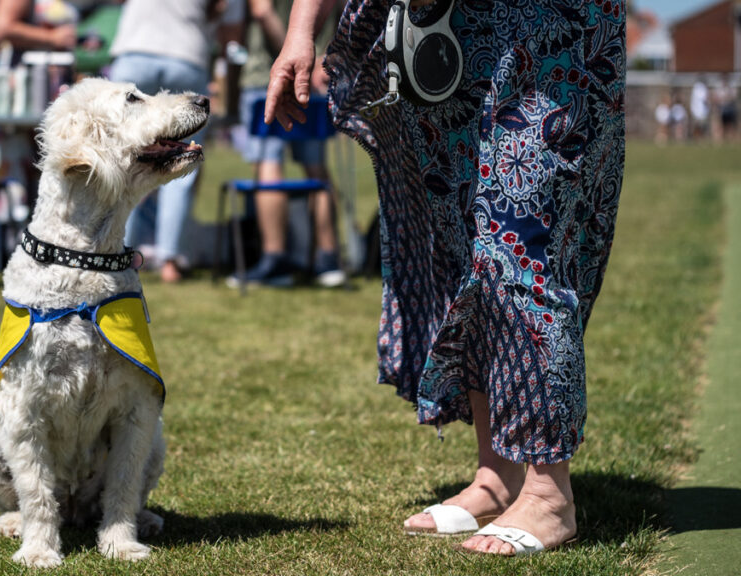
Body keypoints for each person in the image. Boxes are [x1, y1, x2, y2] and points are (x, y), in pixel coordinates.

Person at [267, 0, 625, 556]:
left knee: (518, 236)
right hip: (449, 33)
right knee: (465, 241)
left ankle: (550, 494)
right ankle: (497, 474)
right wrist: (299, 31)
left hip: (547, 33)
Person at [108, 0, 244, 283]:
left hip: (135, 52)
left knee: (123, 160)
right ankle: (170, 260)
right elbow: (232, 38)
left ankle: (120, 253)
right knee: (181, 165)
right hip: (186, 55)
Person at [229, 0, 346, 288]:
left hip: (269, 72)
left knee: (269, 165)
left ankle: (275, 258)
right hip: (316, 74)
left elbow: (261, 9)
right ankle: (328, 259)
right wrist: (323, 55)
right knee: (316, 167)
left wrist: (294, 51)